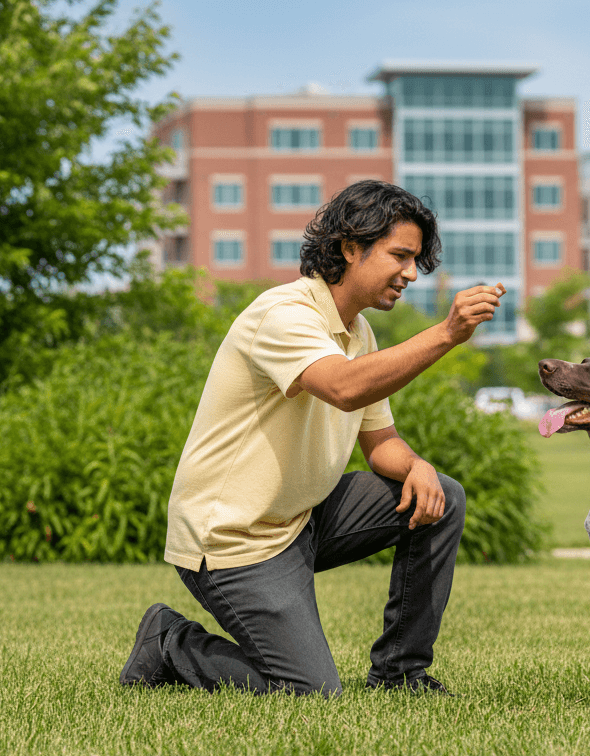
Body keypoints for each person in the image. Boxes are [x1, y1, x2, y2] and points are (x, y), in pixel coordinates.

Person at [119, 180, 504, 696]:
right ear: (350, 248)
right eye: (400, 256)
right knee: (311, 692)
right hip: (234, 539)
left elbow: (381, 444)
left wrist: (416, 466)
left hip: (301, 519)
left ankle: (399, 674)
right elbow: (343, 388)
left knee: (441, 496)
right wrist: (446, 333)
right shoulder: (284, 315)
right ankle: (169, 641)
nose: (412, 273)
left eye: (416, 260)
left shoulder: (359, 333)